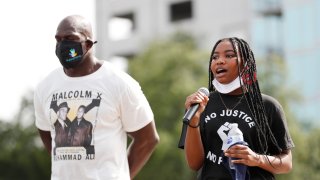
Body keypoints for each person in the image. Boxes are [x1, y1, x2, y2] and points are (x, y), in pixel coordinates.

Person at [34, 15, 159, 180]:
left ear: (88, 43)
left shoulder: (119, 83)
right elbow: (51, 139)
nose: (63, 45)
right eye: (59, 39)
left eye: (71, 38)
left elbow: (148, 139)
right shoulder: (45, 87)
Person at [181, 37, 294, 179]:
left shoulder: (268, 106)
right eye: (215, 57)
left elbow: (286, 163)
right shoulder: (200, 106)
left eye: (229, 55)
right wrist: (194, 121)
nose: (219, 61)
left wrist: (256, 159)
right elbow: (194, 164)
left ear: (246, 64)